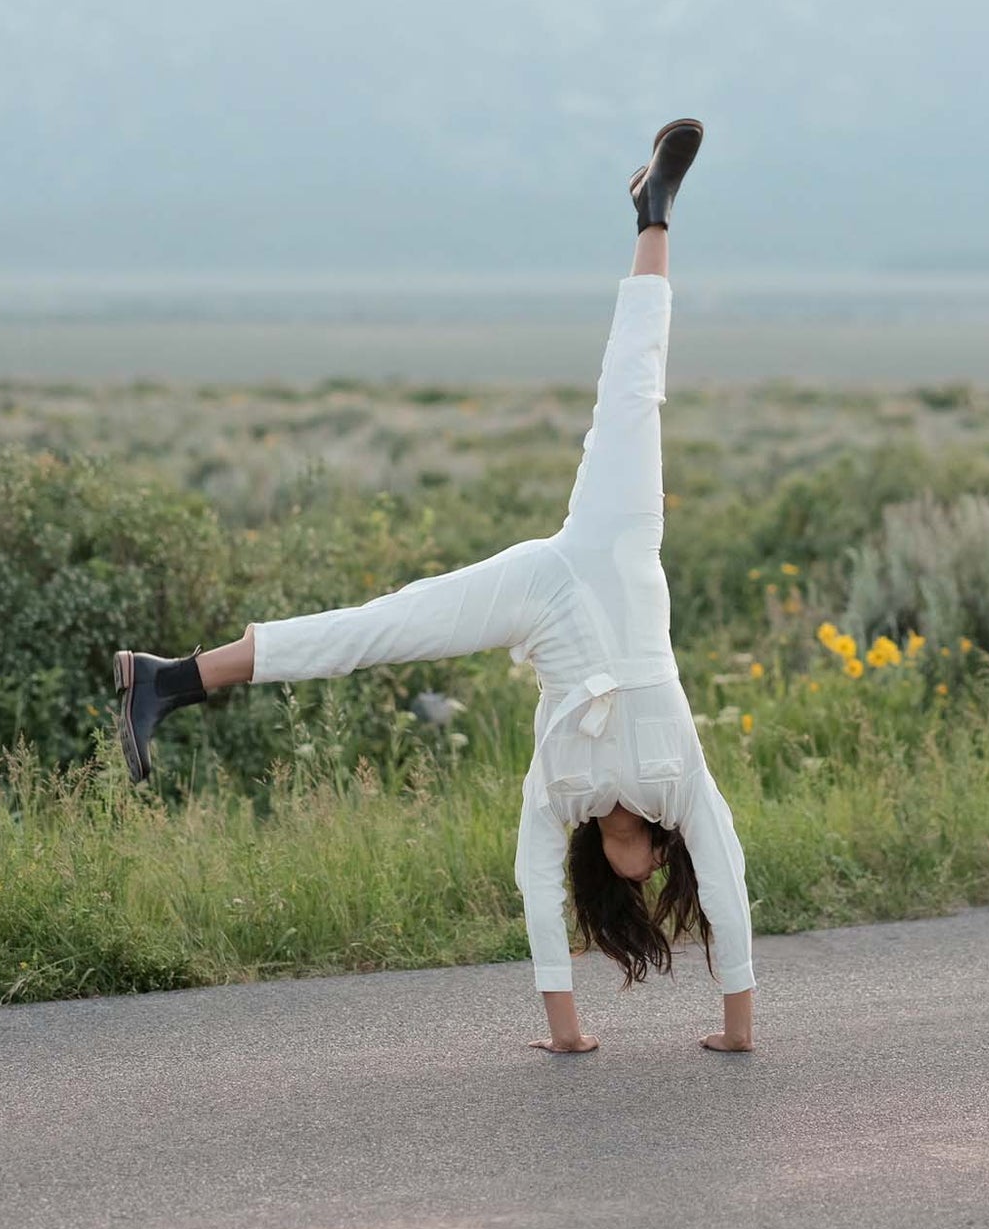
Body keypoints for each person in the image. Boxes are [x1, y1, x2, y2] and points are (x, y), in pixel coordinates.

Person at [113, 120, 755, 1055]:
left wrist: (567, 1034)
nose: (654, 873)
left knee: (380, 630)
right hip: (614, 550)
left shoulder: (558, 799)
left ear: (608, 872)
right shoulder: (683, 788)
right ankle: (654, 212)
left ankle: (167, 680)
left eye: (642, 884)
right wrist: (741, 1030)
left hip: (543, 599)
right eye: (664, 870)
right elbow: (728, 879)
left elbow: (537, 892)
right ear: (664, 851)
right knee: (634, 387)